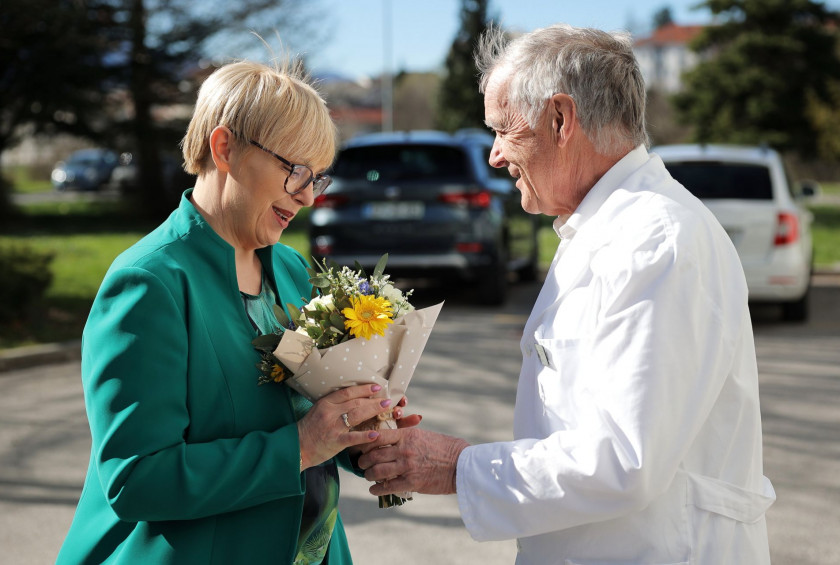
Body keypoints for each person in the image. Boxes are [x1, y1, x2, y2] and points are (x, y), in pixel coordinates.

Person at [359, 23, 776, 564]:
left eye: (503, 131)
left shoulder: (655, 242)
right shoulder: (609, 228)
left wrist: (459, 466)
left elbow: (625, 459)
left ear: (560, 119)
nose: (493, 157)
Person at [57, 59, 414, 565]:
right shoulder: (149, 283)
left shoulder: (289, 269)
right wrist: (301, 447)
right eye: (295, 172)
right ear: (224, 148)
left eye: (319, 179)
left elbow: (297, 412)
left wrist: (363, 429)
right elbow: (137, 479)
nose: (308, 196)